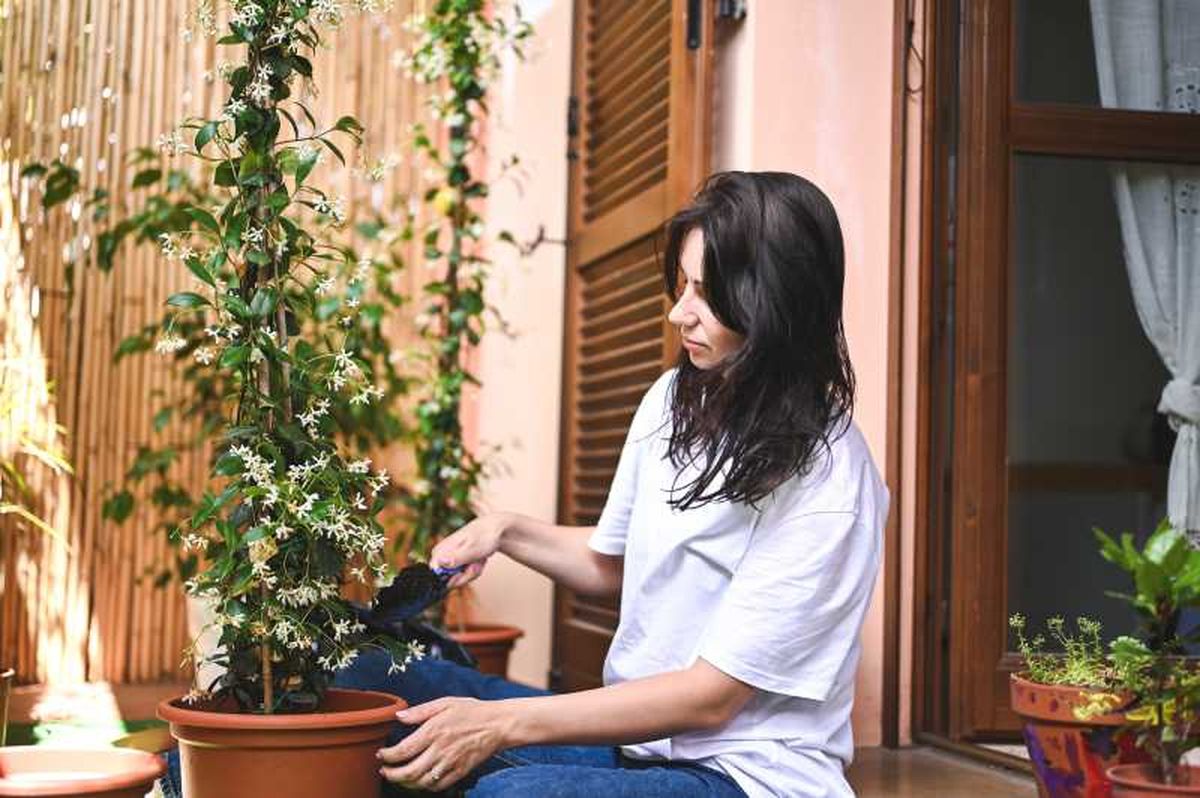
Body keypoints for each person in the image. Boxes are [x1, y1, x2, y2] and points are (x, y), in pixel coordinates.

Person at [336, 170, 889, 797]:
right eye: (682, 285)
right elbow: (614, 563)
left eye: (708, 295)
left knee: (506, 794)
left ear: (776, 304)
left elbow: (711, 699)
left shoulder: (832, 486)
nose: (679, 312)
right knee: (367, 683)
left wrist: (499, 725)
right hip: (631, 746)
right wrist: (504, 531)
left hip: (742, 774)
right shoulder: (676, 399)